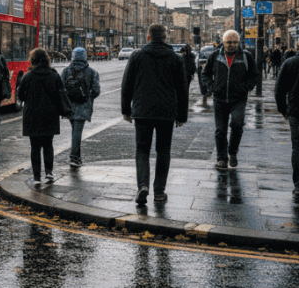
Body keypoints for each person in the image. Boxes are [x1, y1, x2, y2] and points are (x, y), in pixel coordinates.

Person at [122, 24, 188, 204]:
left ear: (148, 37)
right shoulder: (176, 59)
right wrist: (182, 115)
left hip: (142, 110)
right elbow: (183, 89)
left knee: (142, 149)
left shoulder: (137, 56)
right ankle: (159, 192)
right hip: (167, 111)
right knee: (163, 150)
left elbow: (126, 85)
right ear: (165, 38)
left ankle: (142, 186)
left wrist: (126, 110)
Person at [200, 29, 260, 170]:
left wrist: (246, 87)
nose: (232, 45)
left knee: (237, 126)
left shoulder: (246, 56)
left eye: (234, 42)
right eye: (229, 42)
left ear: (239, 43)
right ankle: (222, 158)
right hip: (219, 98)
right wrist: (211, 87)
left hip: (238, 98)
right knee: (220, 130)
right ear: (223, 42)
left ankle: (233, 152)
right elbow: (205, 74)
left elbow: (255, 75)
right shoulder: (215, 56)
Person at [18, 48, 67, 186]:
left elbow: (20, 96)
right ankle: (49, 172)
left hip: (32, 114)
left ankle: (36, 177)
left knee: (34, 147)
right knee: (48, 144)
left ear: (33, 60)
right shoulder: (54, 75)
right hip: (50, 114)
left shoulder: (28, 76)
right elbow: (60, 94)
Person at [61, 47, 101, 167]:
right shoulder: (92, 72)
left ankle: (77, 157)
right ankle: (74, 157)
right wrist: (88, 97)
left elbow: (61, 88)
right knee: (77, 132)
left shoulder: (66, 71)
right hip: (83, 106)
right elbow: (96, 90)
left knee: (75, 131)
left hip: (69, 106)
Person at [274, 51, 299, 199]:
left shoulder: (290, 63)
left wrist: (283, 110)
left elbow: (279, 89)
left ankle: (298, 184)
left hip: (296, 111)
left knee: (297, 147)